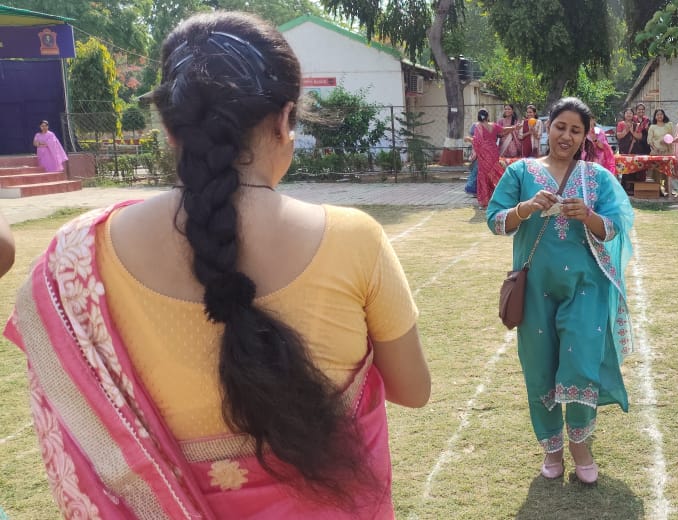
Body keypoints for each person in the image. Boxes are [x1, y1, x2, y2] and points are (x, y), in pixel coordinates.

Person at [4, 12, 431, 518]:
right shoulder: (354, 239)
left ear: (169, 128)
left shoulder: (79, 255)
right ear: (285, 120)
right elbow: (413, 389)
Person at [485, 97, 634, 485]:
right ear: (547, 127)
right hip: (535, 289)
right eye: (560, 127)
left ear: (585, 137)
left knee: (581, 364)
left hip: (585, 287)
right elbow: (495, 221)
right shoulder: (521, 172)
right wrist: (526, 208)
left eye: (575, 130)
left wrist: (588, 215)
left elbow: (615, 227)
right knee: (540, 369)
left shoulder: (596, 177)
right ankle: (551, 449)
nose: (566, 136)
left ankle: (580, 447)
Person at [473, 108, 503, 209]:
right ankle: (500, 199)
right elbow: (504, 130)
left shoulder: (478, 126)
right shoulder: (494, 125)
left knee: (484, 176)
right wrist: (514, 127)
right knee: (495, 174)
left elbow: (477, 141)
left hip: (484, 155)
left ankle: (485, 202)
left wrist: (474, 153)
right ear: (488, 116)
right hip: (494, 153)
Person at [646, 108, 675, 195]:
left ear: (664, 115)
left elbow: (671, 137)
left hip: (667, 152)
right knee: (657, 172)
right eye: (657, 114)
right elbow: (649, 140)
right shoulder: (652, 127)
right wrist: (655, 149)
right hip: (656, 153)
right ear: (655, 116)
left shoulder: (668, 125)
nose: (659, 116)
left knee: (667, 172)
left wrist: (666, 141)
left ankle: (668, 190)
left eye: (661, 114)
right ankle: (657, 190)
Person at [464, 113, 482, 195]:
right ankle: (474, 189)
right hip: (477, 151)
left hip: (483, 152)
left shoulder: (489, 126)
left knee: (477, 171)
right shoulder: (475, 125)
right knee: (475, 170)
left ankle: (476, 189)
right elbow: (473, 139)